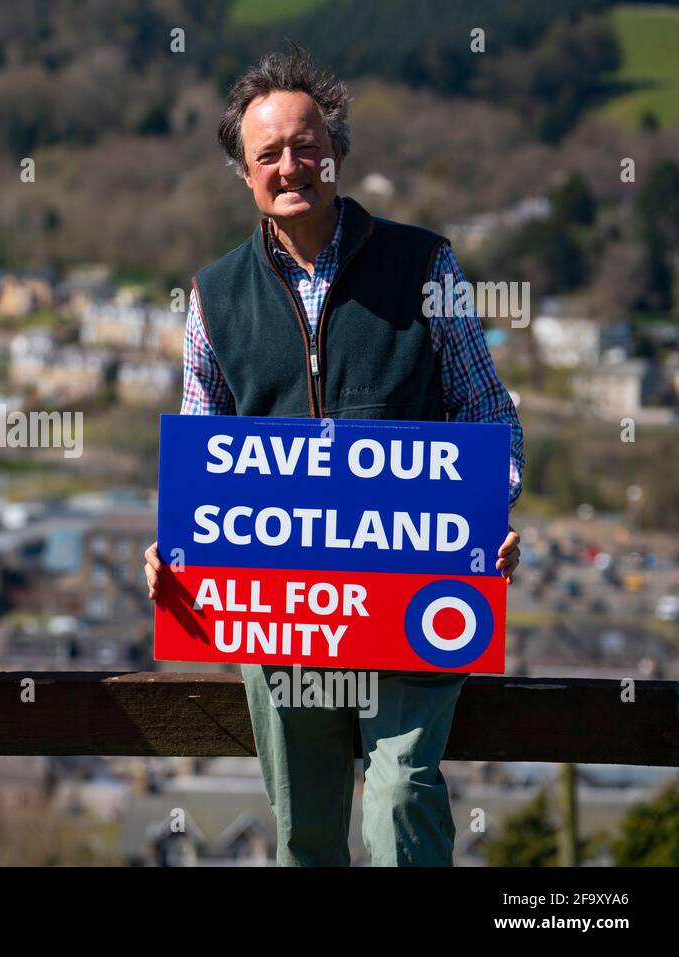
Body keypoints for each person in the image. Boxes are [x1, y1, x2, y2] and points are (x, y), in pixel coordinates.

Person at [143, 47, 523, 866]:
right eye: (269, 154)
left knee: (398, 800)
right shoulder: (213, 296)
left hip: (417, 589)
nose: (292, 165)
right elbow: (202, 445)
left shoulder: (428, 265)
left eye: (307, 144)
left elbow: (488, 411)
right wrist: (175, 547)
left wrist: (491, 513)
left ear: (338, 151)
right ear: (244, 174)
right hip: (285, 612)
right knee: (306, 830)